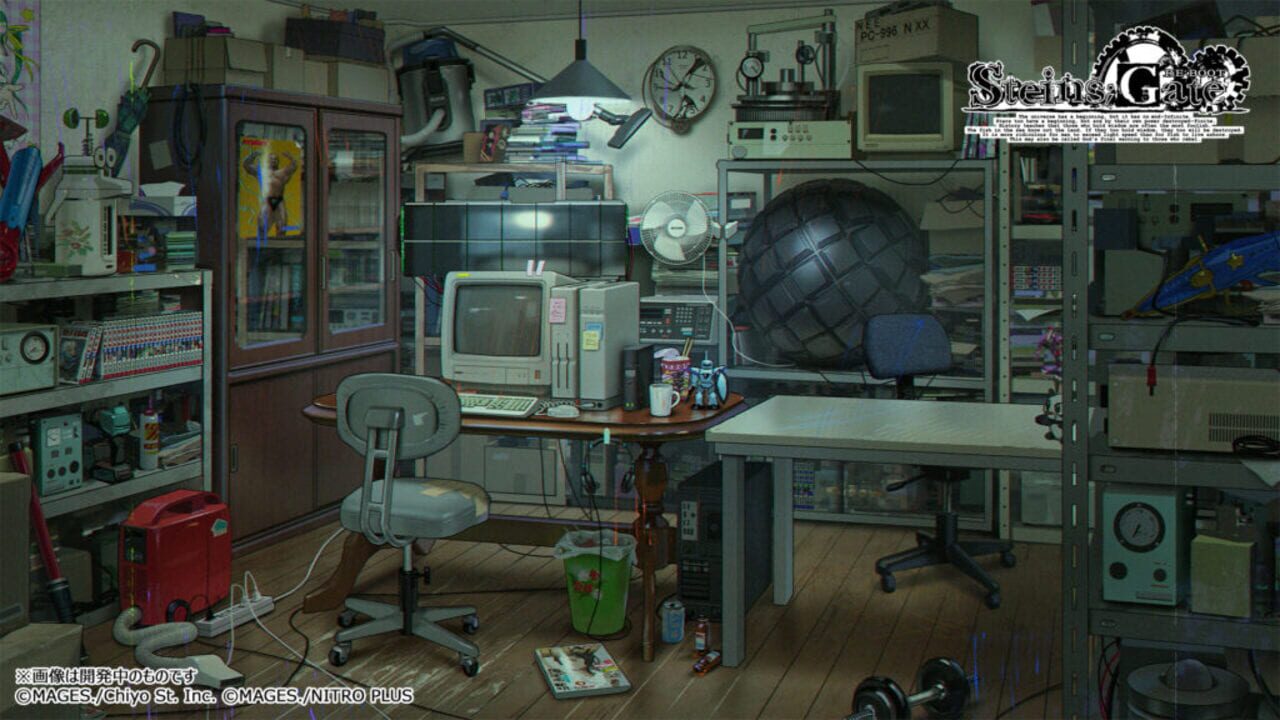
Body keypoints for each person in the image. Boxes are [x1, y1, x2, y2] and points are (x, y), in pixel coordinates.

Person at [242, 148, 298, 238]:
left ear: (278, 161)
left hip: (279, 201)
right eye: (271, 159)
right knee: (262, 228)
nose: (273, 160)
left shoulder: (282, 172)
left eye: (275, 159)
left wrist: (290, 156)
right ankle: (261, 246)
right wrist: (253, 155)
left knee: (282, 228)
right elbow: (246, 165)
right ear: (268, 161)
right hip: (267, 201)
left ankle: (280, 246)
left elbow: (294, 166)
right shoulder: (261, 171)